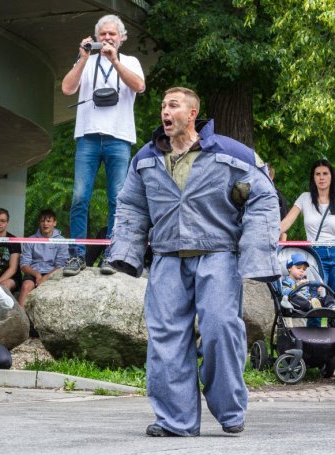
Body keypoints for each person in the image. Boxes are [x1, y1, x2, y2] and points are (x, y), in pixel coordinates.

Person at [108, 87, 280, 437]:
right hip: (168, 258)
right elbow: (130, 206)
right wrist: (125, 254)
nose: (164, 112)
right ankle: (176, 420)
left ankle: (230, 409)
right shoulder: (145, 158)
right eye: (162, 106)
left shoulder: (231, 152)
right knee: (166, 338)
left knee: (219, 328)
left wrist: (256, 252)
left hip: (218, 253)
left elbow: (264, 196)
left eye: (173, 105)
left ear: (192, 112)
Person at [61, 14, 145, 277]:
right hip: (87, 136)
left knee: (117, 200)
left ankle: (112, 254)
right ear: (96, 37)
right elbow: (66, 88)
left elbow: (139, 86)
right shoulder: (86, 60)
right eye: (103, 34)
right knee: (79, 198)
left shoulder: (129, 61)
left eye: (112, 34)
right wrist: (83, 58)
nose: (107, 38)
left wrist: (114, 61)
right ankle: (77, 256)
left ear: (121, 38)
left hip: (118, 137)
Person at [281, 159, 335, 287]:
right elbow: (285, 224)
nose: (321, 177)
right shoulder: (305, 198)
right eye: (318, 174)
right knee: (317, 296)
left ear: (331, 176)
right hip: (315, 255)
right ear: (313, 178)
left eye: (325, 173)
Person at [17, 209, 69, 308]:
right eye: (42, 221)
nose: (45, 224)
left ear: (54, 223)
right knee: (26, 286)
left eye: (49, 221)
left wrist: (46, 277)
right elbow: (24, 265)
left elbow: (61, 265)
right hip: (33, 272)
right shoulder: (30, 240)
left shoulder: (62, 241)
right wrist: (37, 275)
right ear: (39, 223)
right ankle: (20, 319)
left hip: (53, 272)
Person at [282, 253, 335, 327]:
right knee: (295, 298)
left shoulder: (305, 280)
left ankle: (331, 306)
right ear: (289, 268)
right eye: (298, 268)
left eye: (304, 269)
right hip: (297, 303)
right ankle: (312, 306)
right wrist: (297, 285)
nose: (302, 271)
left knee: (328, 297)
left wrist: (316, 291)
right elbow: (284, 292)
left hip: (309, 300)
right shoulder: (287, 281)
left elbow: (308, 293)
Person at [266, 163, 289, 240]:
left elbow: (285, 222)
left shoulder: (279, 198)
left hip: (273, 242)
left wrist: (282, 247)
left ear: (271, 177)